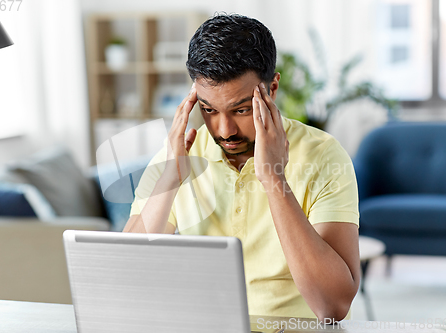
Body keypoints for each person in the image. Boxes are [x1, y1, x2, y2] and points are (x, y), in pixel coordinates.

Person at [123, 13, 360, 321]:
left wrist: (273, 177)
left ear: (272, 89)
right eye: (208, 109)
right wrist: (170, 176)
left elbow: (333, 307)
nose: (225, 130)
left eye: (241, 110)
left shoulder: (324, 156)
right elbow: (126, 271)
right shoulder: (181, 153)